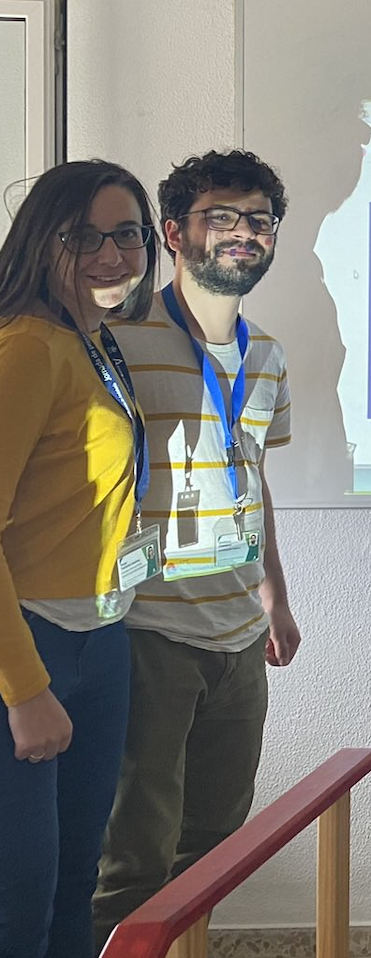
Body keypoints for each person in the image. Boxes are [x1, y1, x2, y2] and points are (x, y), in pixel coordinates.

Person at [92, 151, 301, 946]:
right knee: (132, 856)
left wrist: (275, 595)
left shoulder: (269, 354)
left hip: (240, 634)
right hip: (147, 629)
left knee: (216, 845)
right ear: (173, 234)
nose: (244, 234)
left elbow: (252, 480)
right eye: (222, 217)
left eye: (258, 219)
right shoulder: (115, 339)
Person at [0, 160, 159, 958]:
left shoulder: (95, 341)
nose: (110, 256)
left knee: (73, 884)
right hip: (29, 651)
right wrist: (25, 692)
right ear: (44, 240)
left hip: (102, 640)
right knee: (18, 901)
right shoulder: (28, 347)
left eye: (126, 234)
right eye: (84, 236)